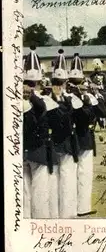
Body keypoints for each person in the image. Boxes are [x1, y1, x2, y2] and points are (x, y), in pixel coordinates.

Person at [23, 46, 57, 218]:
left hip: (22, 149)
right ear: (38, 82)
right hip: (39, 149)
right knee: (40, 189)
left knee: (24, 190)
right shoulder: (42, 100)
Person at [48, 49, 80, 218]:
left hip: (59, 144)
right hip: (62, 144)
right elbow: (67, 120)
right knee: (65, 179)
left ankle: (61, 212)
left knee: (59, 179)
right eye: (59, 83)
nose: (60, 86)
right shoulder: (62, 101)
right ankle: (66, 213)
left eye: (60, 83)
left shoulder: (63, 99)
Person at [67, 53, 99, 217]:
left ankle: (72, 208)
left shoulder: (66, 97)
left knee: (71, 175)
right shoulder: (79, 99)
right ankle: (82, 208)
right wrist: (87, 98)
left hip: (70, 141)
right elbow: (92, 115)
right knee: (84, 174)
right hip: (83, 139)